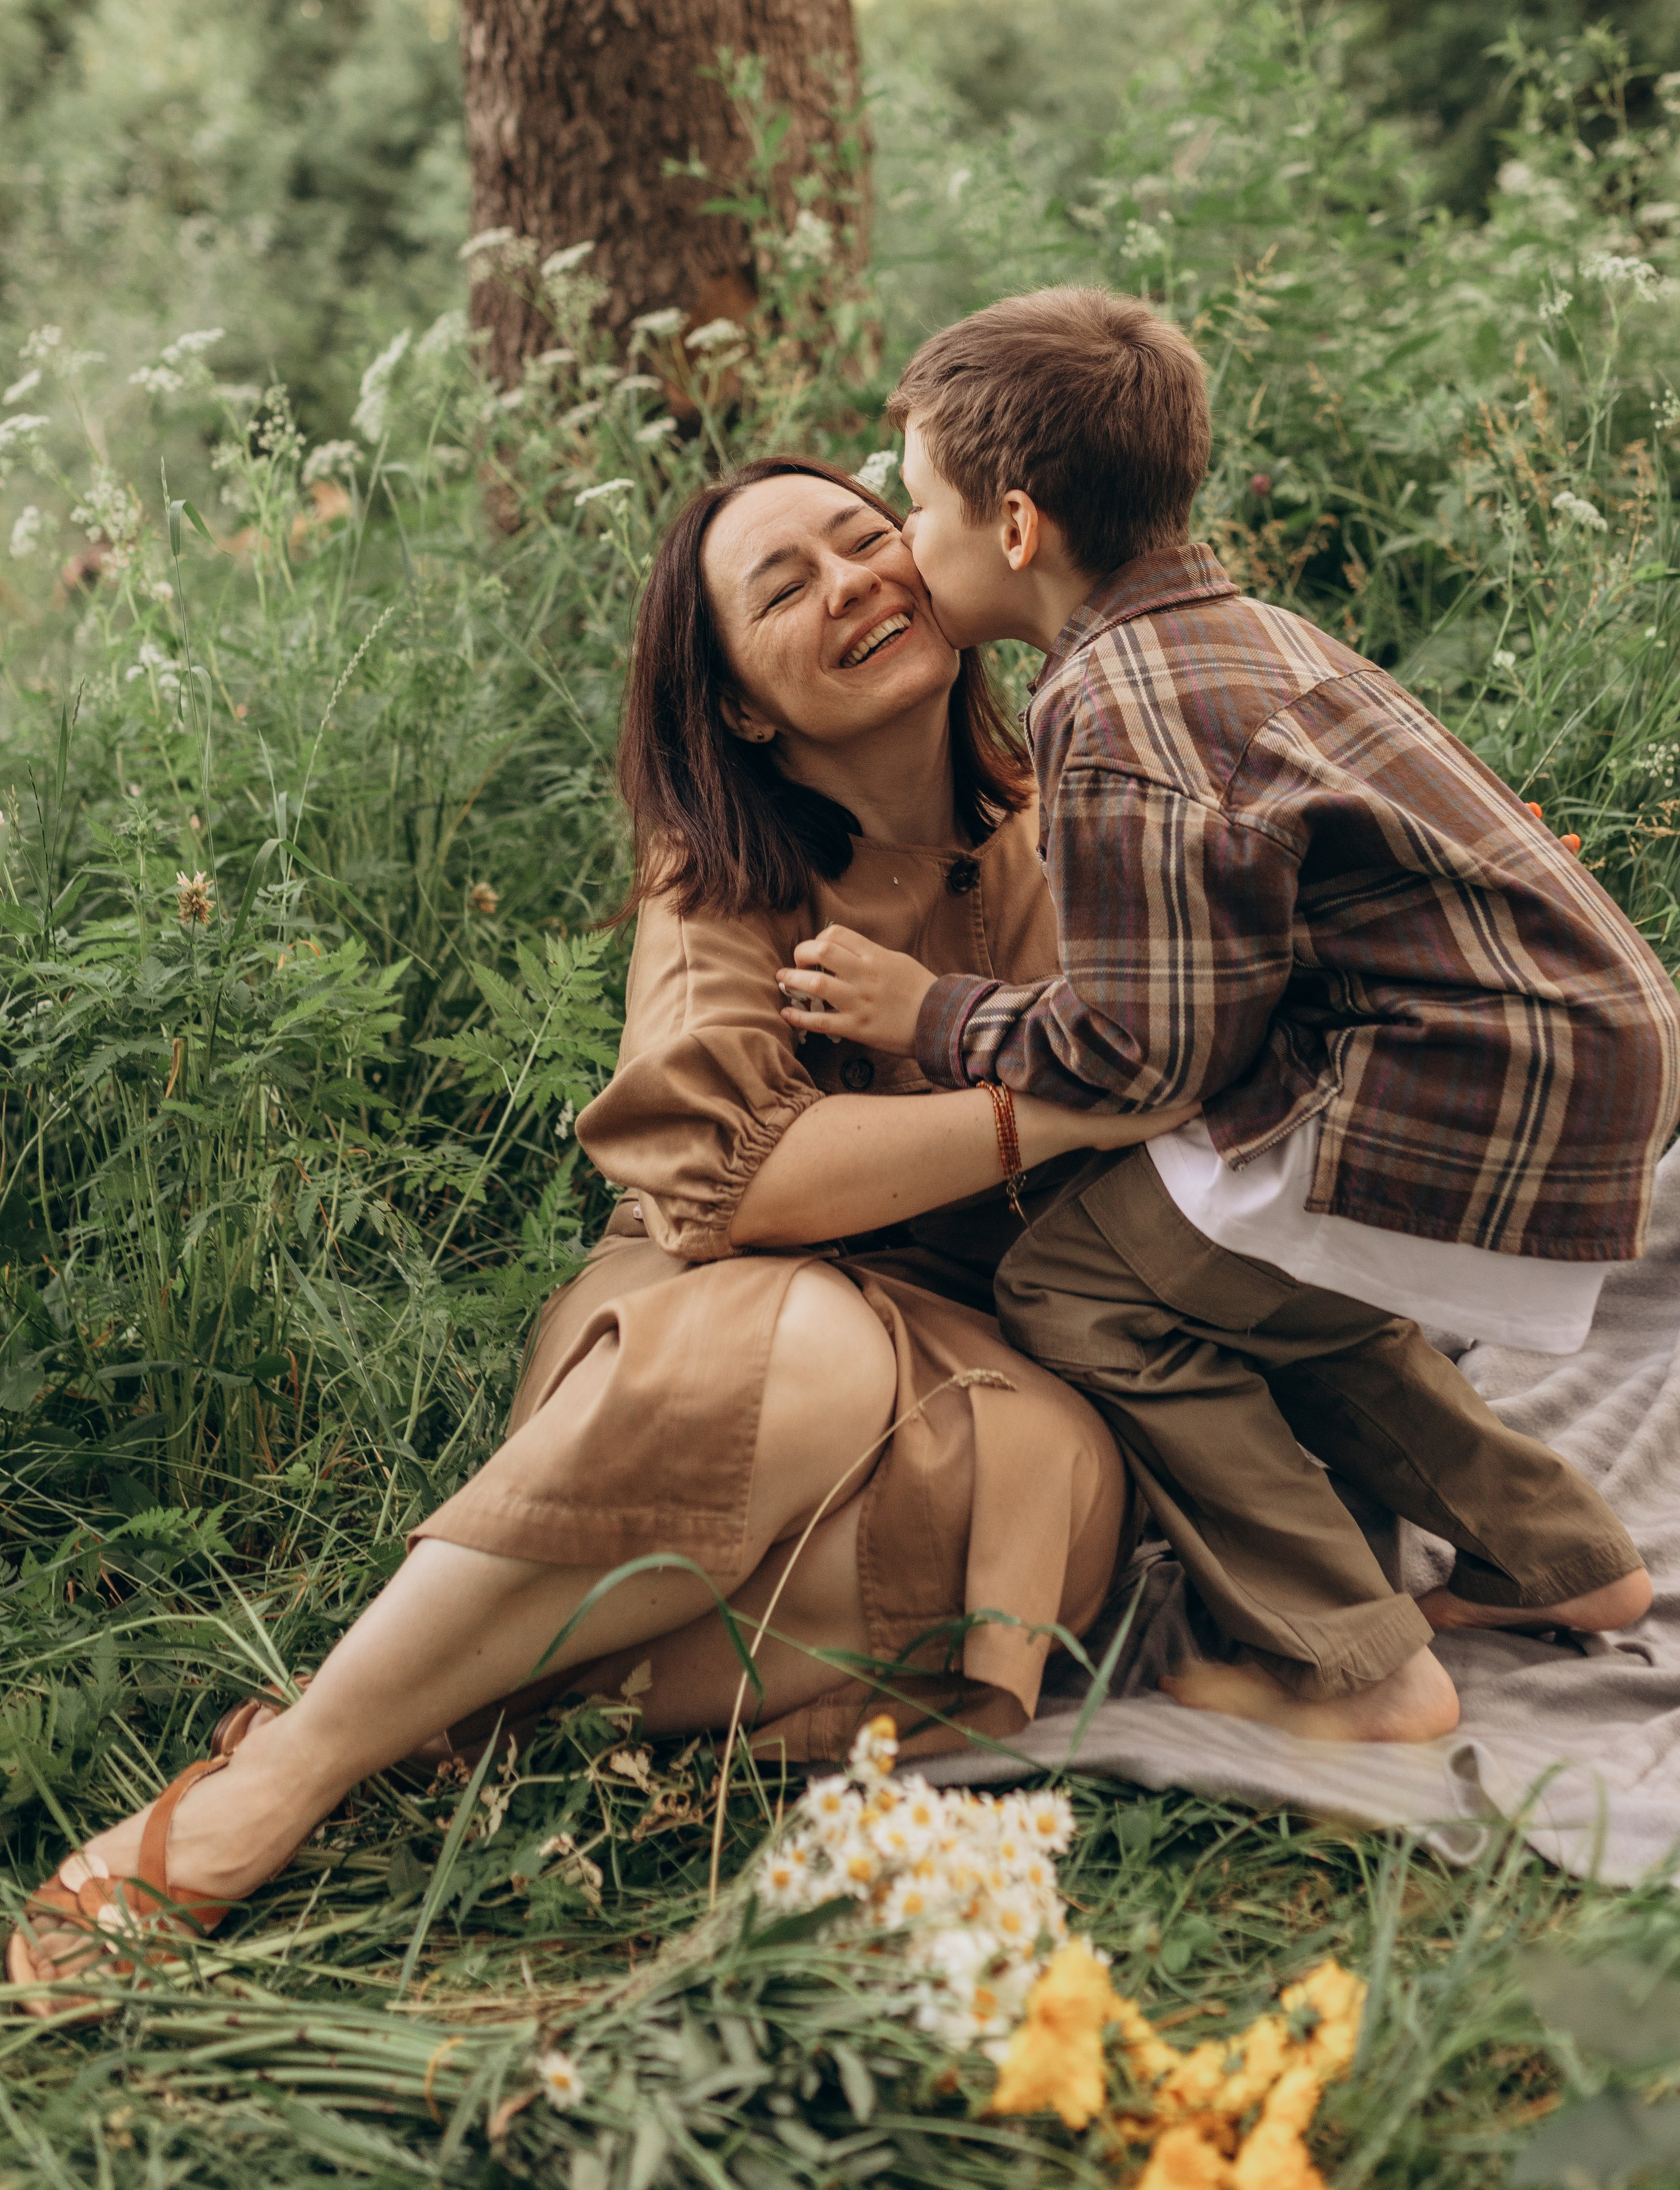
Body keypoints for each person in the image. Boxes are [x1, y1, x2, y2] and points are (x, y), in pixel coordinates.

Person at [7, 452, 1198, 2019]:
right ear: (745, 709)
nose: (851, 581)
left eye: (864, 537)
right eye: (784, 588)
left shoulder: (1086, 800)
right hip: (724, 1315)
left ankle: (434, 1727)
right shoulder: (724, 876)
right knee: (811, 1352)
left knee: (1003, 1544)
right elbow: (736, 1183)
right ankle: (281, 1780)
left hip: (1001, 1370)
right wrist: (1070, 1106)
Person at [778, 286, 1677, 1744]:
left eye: (915, 508)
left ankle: (1356, 1664)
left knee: (1080, 1285)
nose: (900, 546)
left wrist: (929, 1010)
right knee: (1242, 1268)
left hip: (1462, 1083)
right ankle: (1560, 1563)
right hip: (1550, 1052)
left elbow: (1146, 1056)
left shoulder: (1110, 717)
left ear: (1013, 530)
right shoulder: (1225, 628)